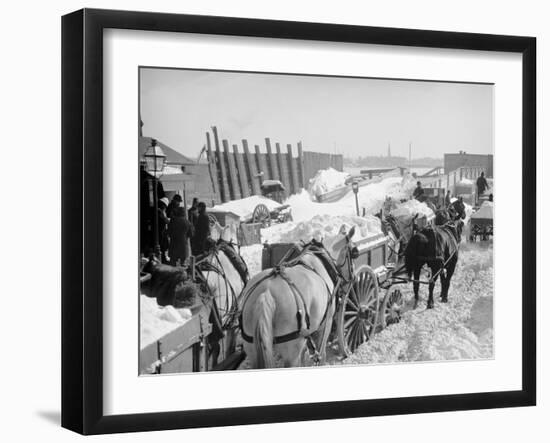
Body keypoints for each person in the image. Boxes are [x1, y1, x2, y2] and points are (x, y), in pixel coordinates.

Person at [158, 197, 170, 262]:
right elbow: (166, 220)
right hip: (161, 231)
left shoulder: (160, 210)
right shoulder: (161, 211)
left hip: (161, 231)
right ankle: (163, 259)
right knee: (163, 246)